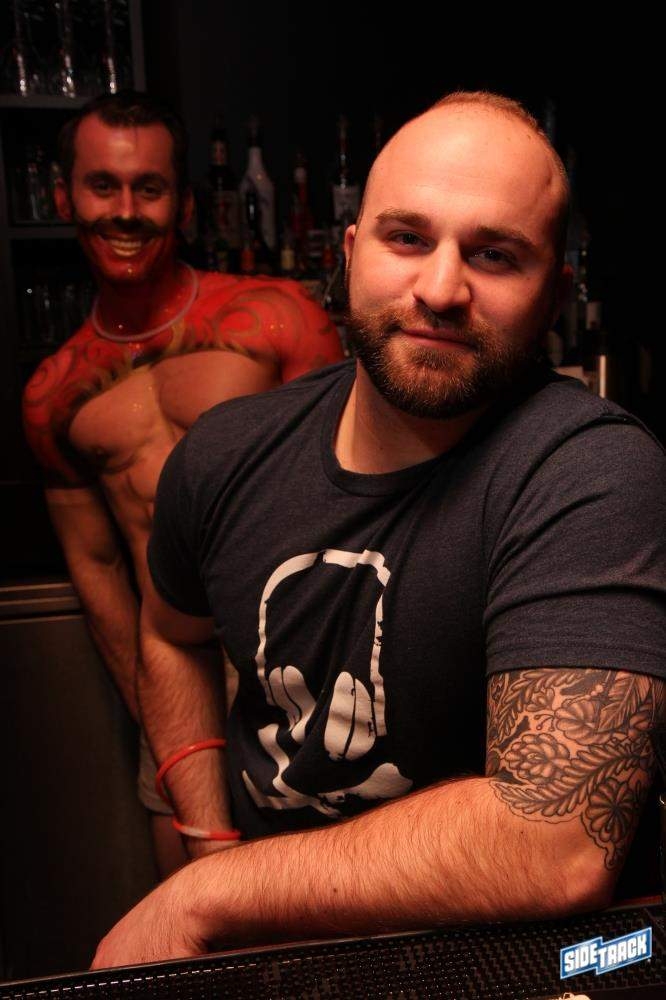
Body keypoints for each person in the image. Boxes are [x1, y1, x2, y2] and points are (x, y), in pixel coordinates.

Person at [91, 91, 666, 968]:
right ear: (351, 253)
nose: (440, 289)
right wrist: (207, 836)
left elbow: (555, 841)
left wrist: (206, 892)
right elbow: (171, 635)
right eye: (407, 239)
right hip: (268, 952)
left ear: (554, 294)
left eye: (495, 255)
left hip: (484, 967)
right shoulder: (225, 454)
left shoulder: (590, 471)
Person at [22, 90, 343, 876]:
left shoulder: (279, 318)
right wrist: (158, 717)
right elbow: (98, 567)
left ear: (185, 204)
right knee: (193, 917)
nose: (126, 212)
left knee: (329, 912)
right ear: (65, 197)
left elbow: (357, 500)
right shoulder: (53, 395)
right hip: (179, 672)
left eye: (150, 188)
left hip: (308, 671)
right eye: (103, 186)